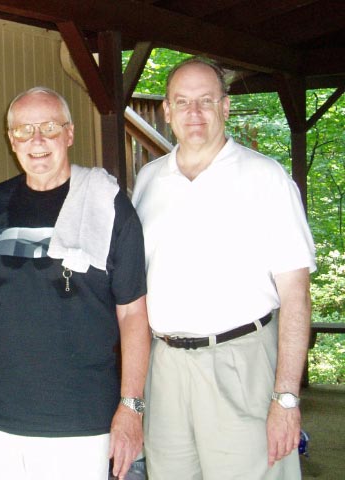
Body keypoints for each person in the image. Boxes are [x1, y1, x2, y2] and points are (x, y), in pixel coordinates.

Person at [0, 87, 150, 480]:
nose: (37, 140)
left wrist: (131, 406)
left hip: (79, 425)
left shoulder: (108, 205)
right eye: (24, 130)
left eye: (49, 127)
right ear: (11, 139)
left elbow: (133, 313)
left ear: (69, 133)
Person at [132, 57, 316, 479]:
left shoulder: (264, 177)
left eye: (206, 100)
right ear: (167, 110)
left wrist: (286, 397)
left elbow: (296, 295)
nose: (194, 112)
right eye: (182, 102)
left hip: (241, 363)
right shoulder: (149, 180)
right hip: (166, 368)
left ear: (226, 107)